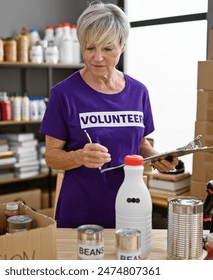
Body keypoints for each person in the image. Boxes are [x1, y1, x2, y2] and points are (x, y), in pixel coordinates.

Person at [39, 1, 178, 228]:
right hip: (80, 209)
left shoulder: (138, 92)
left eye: (107, 48)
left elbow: (140, 143)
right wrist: (79, 157)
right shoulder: (63, 94)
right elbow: (52, 156)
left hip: (130, 204)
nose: (97, 57)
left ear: (122, 45)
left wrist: (156, 157)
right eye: (90, 48)